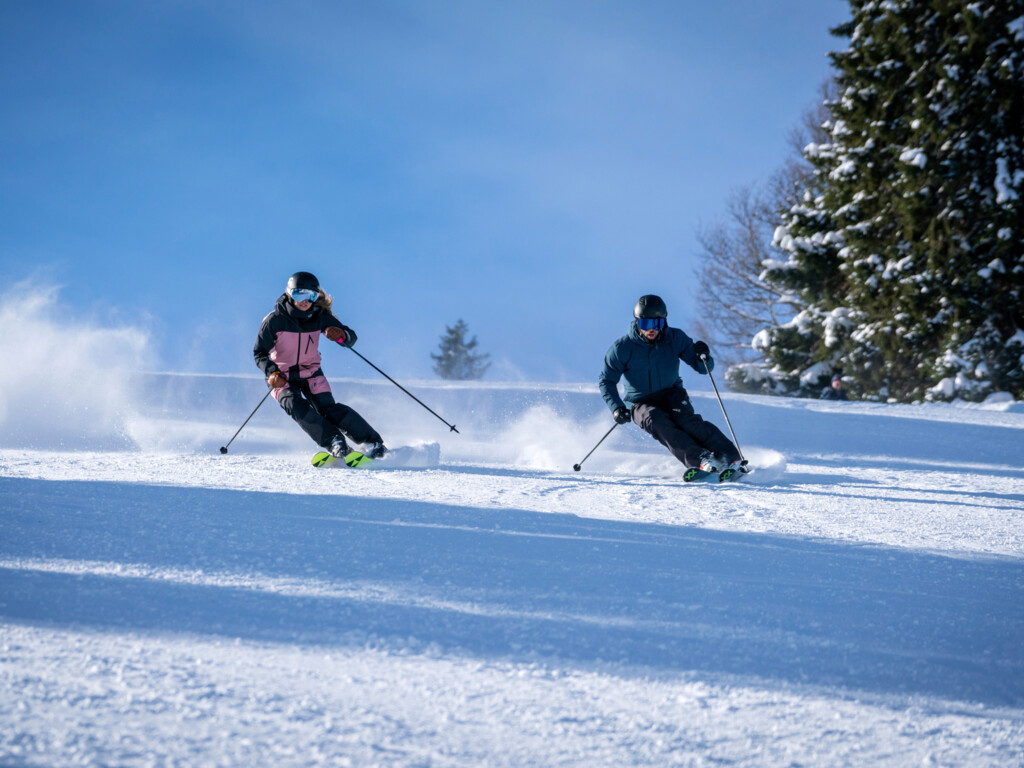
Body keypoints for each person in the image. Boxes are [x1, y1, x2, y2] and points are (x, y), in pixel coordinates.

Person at [599, 294, 742, 479]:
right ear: (637, 323)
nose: (651, 330)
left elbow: (703, 368)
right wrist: (617, 407)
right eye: (645, 325)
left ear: (664, 322)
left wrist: (703, 356)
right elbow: (606, 381)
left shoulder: (675, 338)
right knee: (658, 421)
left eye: (656, 324)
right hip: (640, 402)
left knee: (687, 421)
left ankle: (729, 456)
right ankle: (700, 460)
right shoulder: (622, 348)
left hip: (672, 393)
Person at [254, 271, 387, 460]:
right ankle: (335, 442)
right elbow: (259, 352)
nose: (305, 301)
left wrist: (340, 335)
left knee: (328, 409)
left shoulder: (319, 316)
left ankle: (373, 442)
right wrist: (271, 371)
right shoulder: (275, 320)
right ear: (290, 293)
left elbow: (350, 337)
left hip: (311, 372)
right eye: (300, 294)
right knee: (296, 406)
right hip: (281, 376)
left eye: (311, 296)